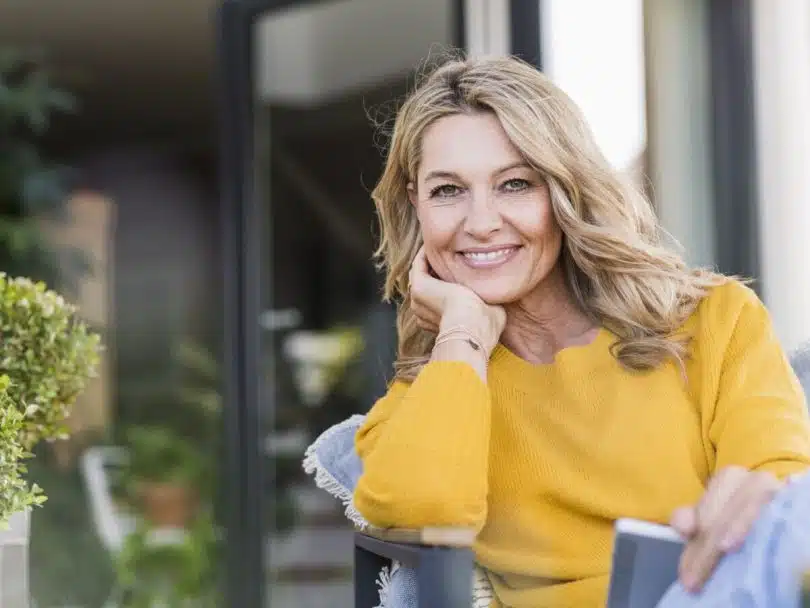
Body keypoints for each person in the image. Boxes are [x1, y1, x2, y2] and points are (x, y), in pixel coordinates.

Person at [352, 54, 810, 608]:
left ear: (564, 190)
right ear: (415, 204)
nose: (480, 222)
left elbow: (781, 491)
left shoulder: (714, 321)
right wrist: (465, 331)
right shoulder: (437, 389)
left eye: (515, 184)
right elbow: (423, 510)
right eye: (448, 190)